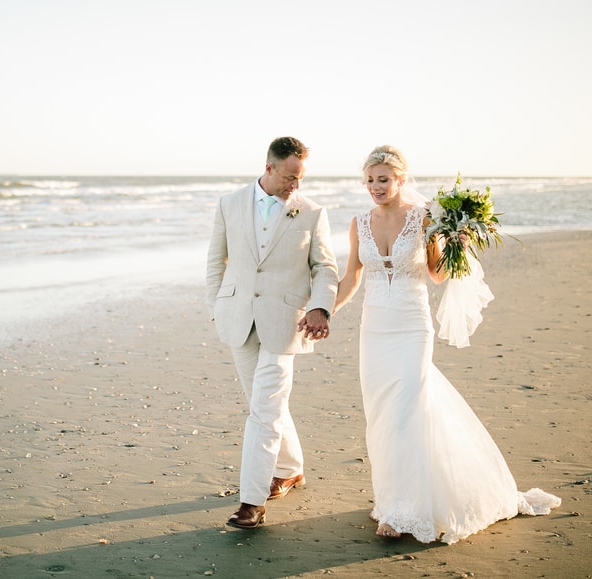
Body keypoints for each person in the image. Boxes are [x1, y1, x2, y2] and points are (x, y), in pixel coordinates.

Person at [332, 144, 561, 543]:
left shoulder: (423, 219)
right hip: (375, 329)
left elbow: (437, 275)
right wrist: (324, 310)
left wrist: (455, 239)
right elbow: (352, 275)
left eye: (383, 179)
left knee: (405, 412)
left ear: (400, 179)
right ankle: (391, 499)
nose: (375, 187)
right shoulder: (359, 222)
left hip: (411, 326)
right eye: (369, 180)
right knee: (381, 416)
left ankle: (403, 512)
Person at [206, 136, 338, 529]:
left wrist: (320, 305)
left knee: (264, 410)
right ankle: (291, 467)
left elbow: (326, 268)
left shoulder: (312, 212)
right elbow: (216, 260)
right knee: (263, 404)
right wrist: (217, 307)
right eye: (290, 176)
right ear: (269, 168)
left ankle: (251, 501)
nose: (295, 185)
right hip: (238, 319)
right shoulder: (228, 204)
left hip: (286, 322)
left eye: (301, 178)